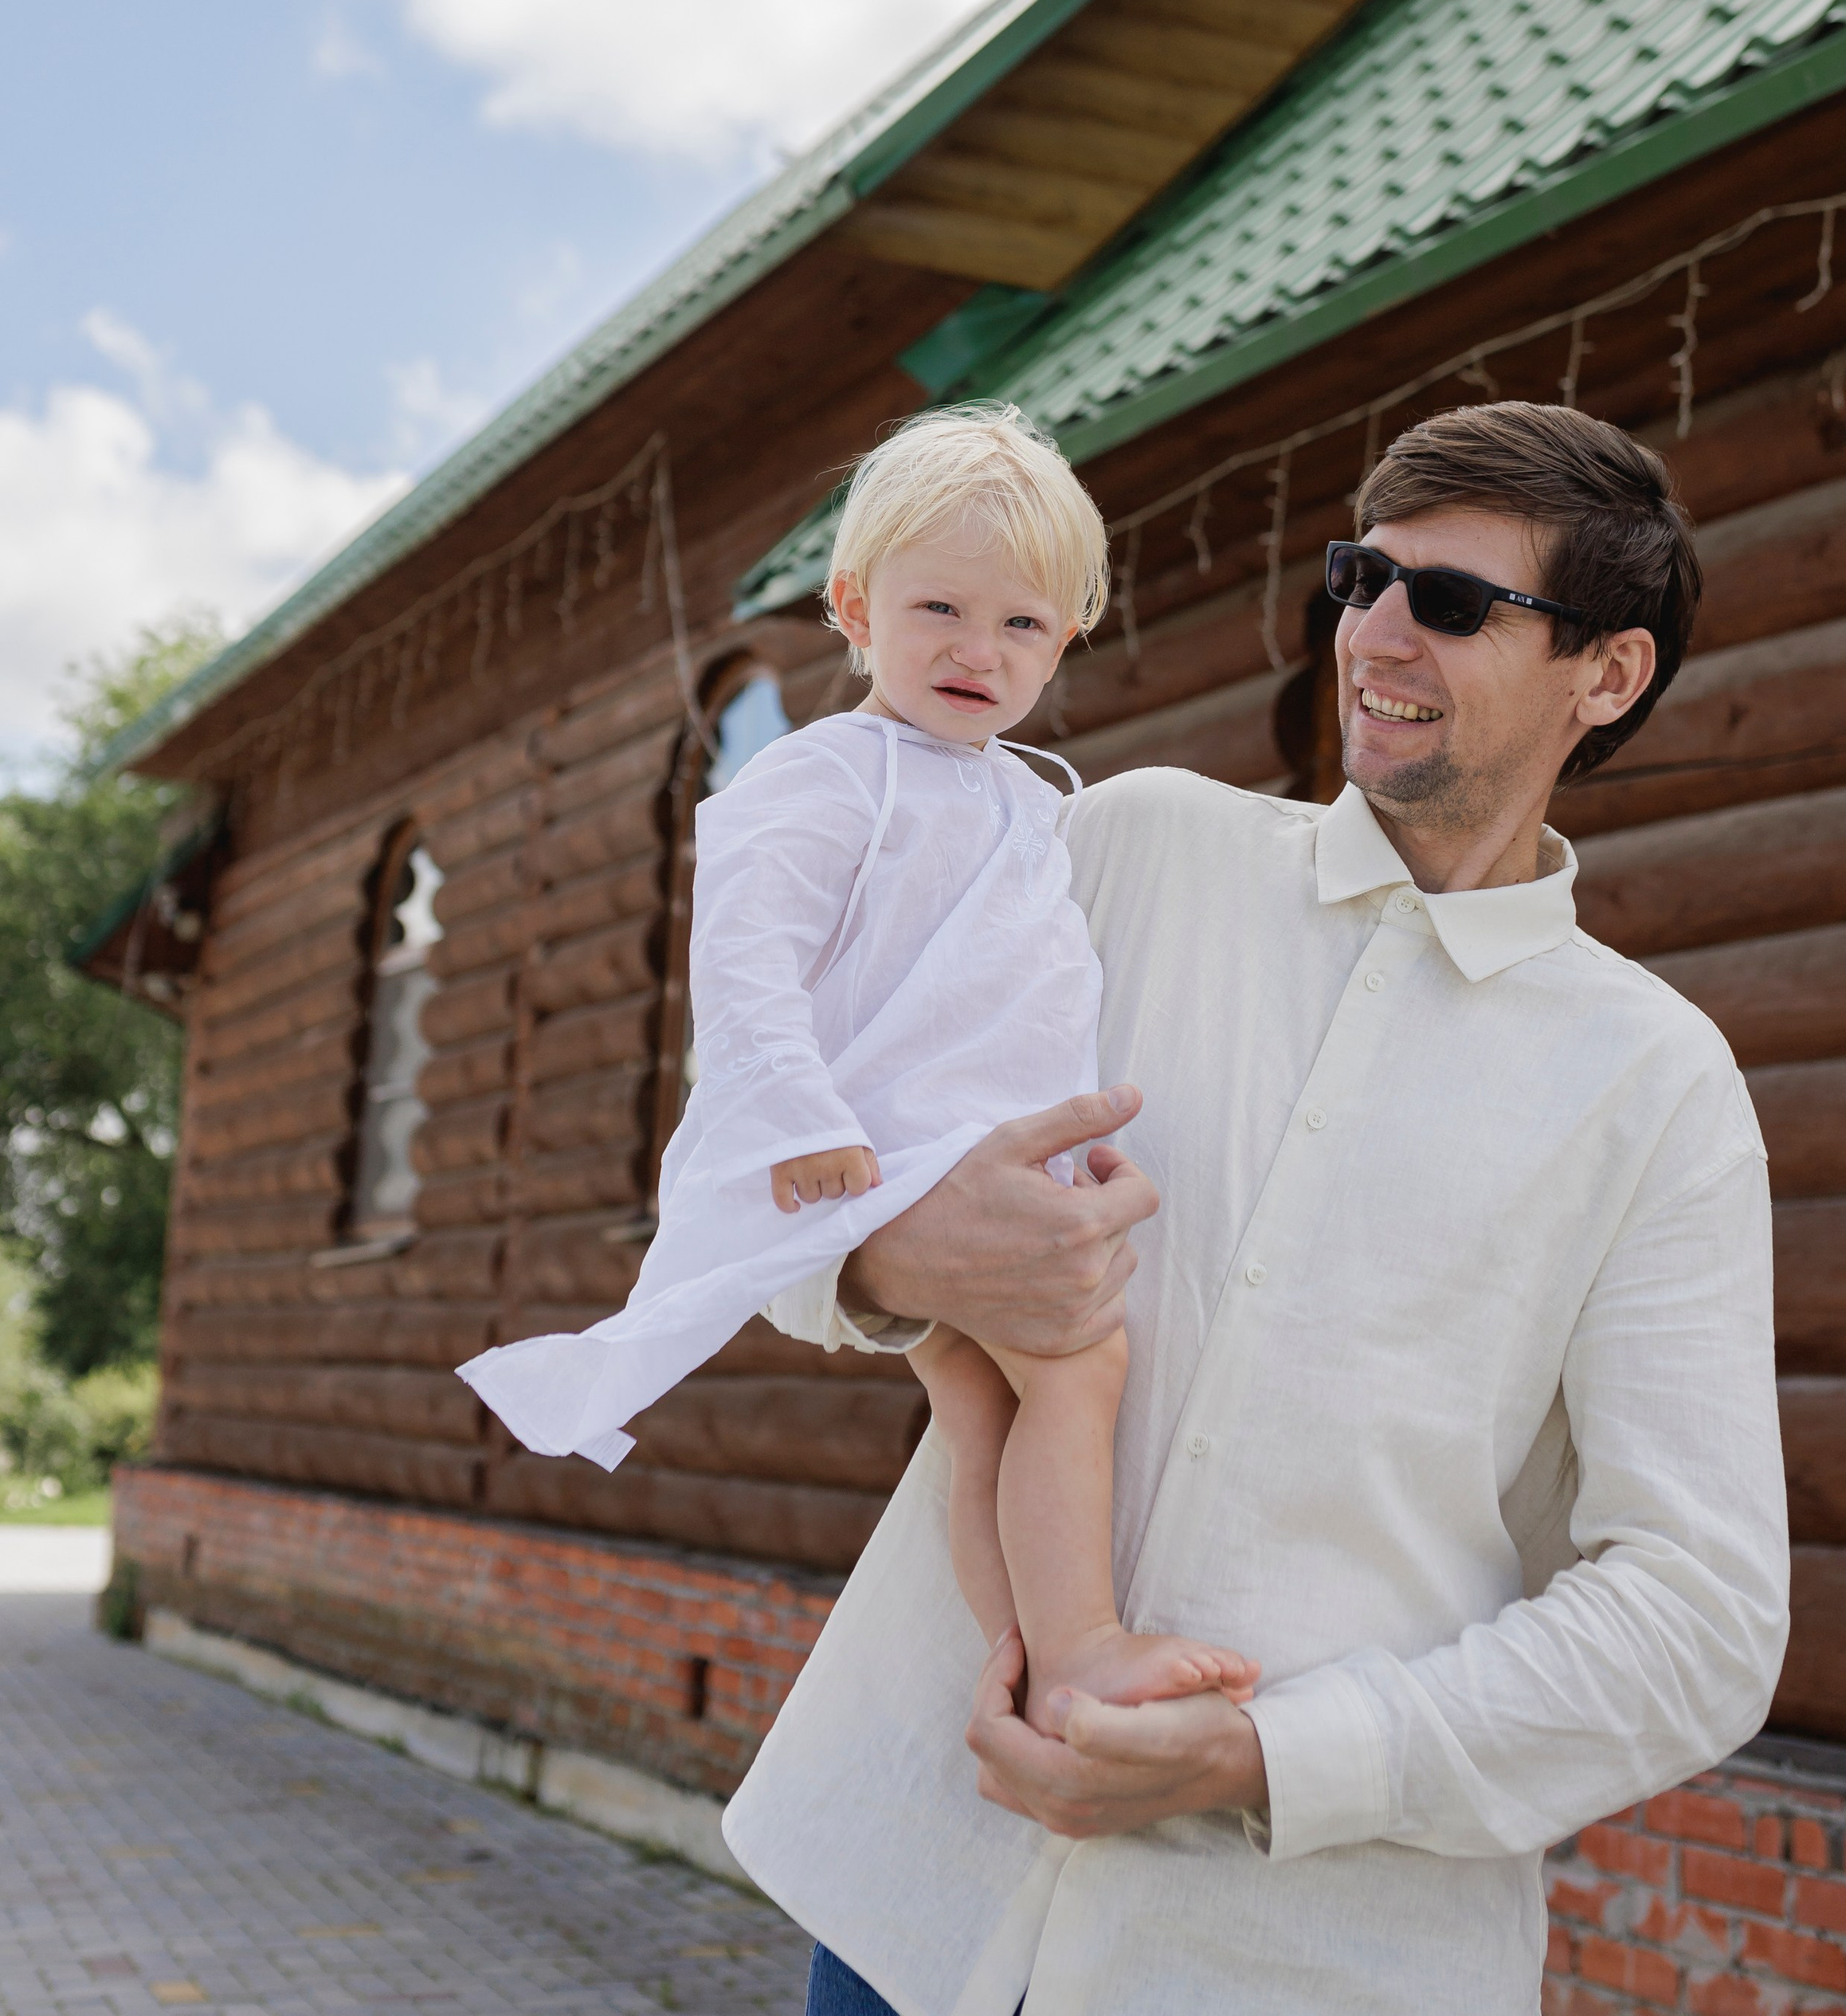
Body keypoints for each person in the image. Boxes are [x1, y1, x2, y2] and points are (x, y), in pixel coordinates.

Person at [723, 401, 1789, 2016]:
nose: (1373, 633)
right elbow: (767, 1149)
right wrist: (887, 1256)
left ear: (1606, 672)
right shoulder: (1118, 848)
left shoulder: (1658, 1086)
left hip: (1290, 1964)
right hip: (914, 1895)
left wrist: (1261, 1755)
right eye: (1361, 576)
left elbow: (1693, 1620)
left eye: (1447, 603)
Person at [457, 403, 1254, 1728]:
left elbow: (1014, 990)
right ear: (852, 604)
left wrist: (1066, 1137)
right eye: (938, 605)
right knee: (1077, 1365)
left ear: (1065, 640)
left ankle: (1016, 1652)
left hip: (973, 1144)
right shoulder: (827, 777)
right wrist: (801, 1118)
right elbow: (746, 965)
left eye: (1021, 625)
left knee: (983, 1410)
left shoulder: (1028, 796)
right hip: (884, 1149)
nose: (976, 650)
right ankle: (1080, 1645)